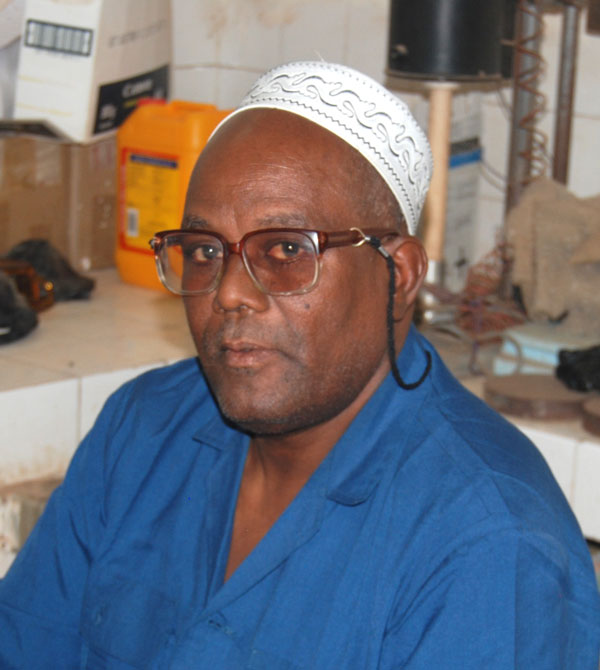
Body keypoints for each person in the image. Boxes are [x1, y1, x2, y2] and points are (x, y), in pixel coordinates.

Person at [0, 60, 599, 669]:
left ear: (398, 275)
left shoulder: (487, 543)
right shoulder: (143, 431)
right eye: (205, 251)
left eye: (287, 249)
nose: (230, 292)